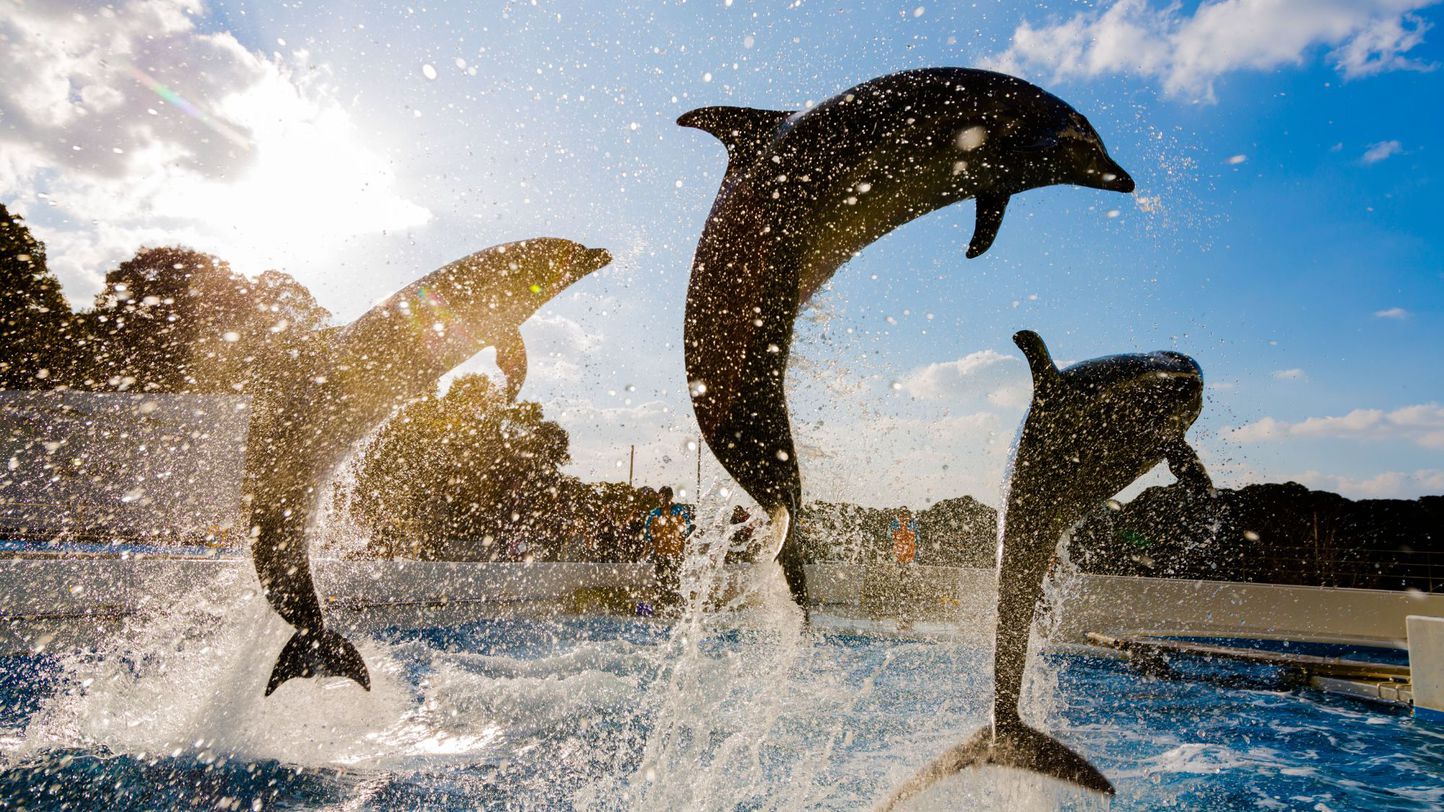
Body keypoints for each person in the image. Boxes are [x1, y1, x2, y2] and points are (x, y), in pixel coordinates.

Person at [644, 486, 694, 607]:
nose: (663, 499)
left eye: (665, 496)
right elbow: (648, 533)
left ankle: (674, 605)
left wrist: (684, 541)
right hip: (660, 552)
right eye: (661, 496)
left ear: (671, 497)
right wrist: (647, 547)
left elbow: (687, 529)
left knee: (675, 579)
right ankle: (661, 604)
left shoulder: (679, 510)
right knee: (660, 580)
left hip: (676, 552)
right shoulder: (654, 513)